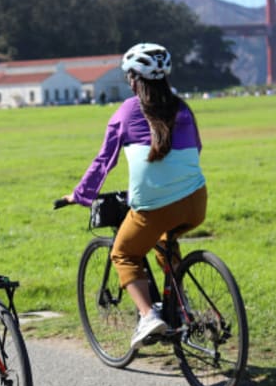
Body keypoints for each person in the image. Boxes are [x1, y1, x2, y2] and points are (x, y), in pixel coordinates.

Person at [62, 42, 207, 351]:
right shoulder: (183, 107)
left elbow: (105, 160)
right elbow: (196, 149)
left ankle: (148, 316)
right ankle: (181, 307)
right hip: (196, 201)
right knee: (166, 241)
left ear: (133, 79)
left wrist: (80, 195)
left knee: (124, 253)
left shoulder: (127, 111)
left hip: (155, 206)